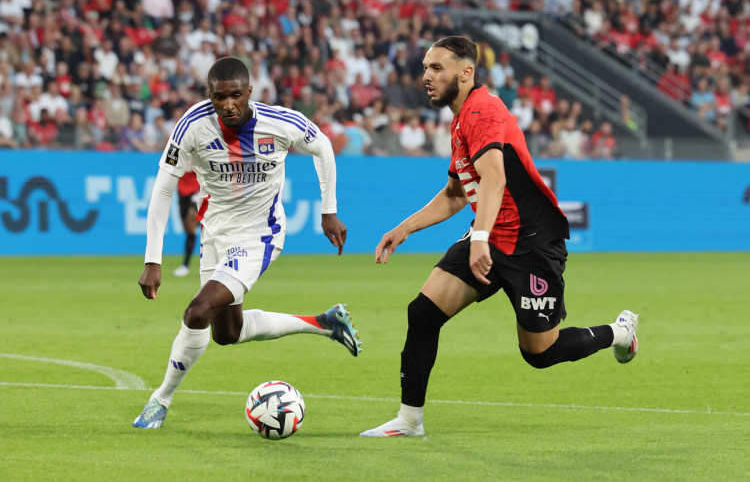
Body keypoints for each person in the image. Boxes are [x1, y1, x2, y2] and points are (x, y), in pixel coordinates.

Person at [359, 36, 638, 438]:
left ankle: (620, 332)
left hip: (531, 244)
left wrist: (478, 238)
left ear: (466, 72)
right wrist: (404, 228)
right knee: (422, 314)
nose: (426, 76)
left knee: (540, 353)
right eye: (425, 67)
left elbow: (495, 177)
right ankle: (409, 420)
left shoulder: (484, 110)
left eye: (437, 68)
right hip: (488, 237)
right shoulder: (459, 120)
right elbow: (457, 193)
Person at [133, 57, 362, 429]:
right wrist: (153, 259)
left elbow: (322, 147)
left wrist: (329, 209)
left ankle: (160, 399)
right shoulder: (192, 125)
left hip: (260, 234)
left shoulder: (281, 122)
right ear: (209, 95)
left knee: (196, 312)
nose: (228, 105)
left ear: (249, 92)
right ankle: (323, 323)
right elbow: (163, 188)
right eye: (219, 97)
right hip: (215, 234)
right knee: (227, 334)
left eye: (235, 95)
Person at [172, 168, 200, 277]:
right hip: (182, 192)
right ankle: (185, 266)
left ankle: (185, 265)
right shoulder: (178, 152)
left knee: (191, 223)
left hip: (196, 191)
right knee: (188, 231)